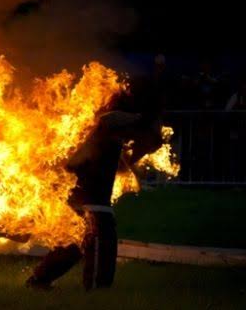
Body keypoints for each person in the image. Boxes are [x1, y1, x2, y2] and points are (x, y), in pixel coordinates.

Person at [26, 76, 164, 291]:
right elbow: (109, 120)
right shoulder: (105, 122)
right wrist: (144, 120)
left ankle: (39, 281)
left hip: (84, 198)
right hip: (88, 199)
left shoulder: (115, 136)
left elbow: (119, 166)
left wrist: (145, 147)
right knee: (102, 238)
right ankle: (97, 291)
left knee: (74, 245)